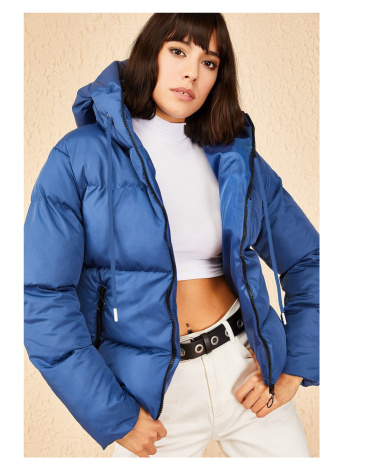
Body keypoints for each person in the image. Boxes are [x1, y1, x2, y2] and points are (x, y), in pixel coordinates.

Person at [24, 13, 319, 458]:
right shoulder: (78, 157)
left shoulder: (236, 157)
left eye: (209, 62)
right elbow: (43, 296)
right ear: (150, 54)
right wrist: (114, 415)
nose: (191, 73)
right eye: (178, 51)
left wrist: (294, 369)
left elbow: (309, 260)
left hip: (247, 368)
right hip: (155, 394)